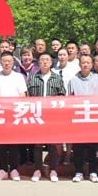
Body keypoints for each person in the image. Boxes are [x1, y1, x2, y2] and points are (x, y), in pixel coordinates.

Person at [0, 51, 27, 181]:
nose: (7, 63)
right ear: (0, 62)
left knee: (14, 144)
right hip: (1, 115)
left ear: (13, 62)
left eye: (9, 61)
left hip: (15, 114)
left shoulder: (19, 77)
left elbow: (23, 95)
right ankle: (3, 169)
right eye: (4, 61)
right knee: (2, 144)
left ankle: (14, 169)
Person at [27, 52, 65, 182]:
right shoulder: (33, 78)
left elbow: (62, 95)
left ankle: (53, 170)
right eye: (42, 59)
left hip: (52, 116)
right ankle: (38, 169)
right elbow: (28, 97)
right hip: (37, 115)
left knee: (52, 144)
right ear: (38, 62)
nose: (44, 62)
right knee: (37, 145)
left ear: (51, 62)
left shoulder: (57, 78)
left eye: (47, 60)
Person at [68, 54, 98, 183]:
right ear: (79, 64)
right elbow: (69, 99)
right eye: (83, 62)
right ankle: (78, 171)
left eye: (88, 62)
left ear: (92, 64)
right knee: (78, 147)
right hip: (78, 118)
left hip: (94, 118)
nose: (85, 65)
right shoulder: (73, 80)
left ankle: (93, 172)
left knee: (93, 148)